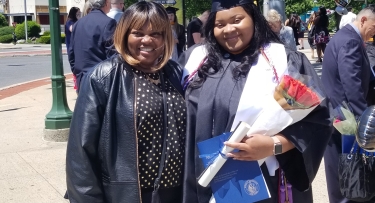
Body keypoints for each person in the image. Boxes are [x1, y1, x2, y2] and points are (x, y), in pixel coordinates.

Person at [179, 0, 332, 203]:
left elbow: (317, 120)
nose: (229, 29)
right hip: (197, 178)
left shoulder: (282, 60)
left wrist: (274, 145)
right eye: (220, 24)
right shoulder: (195, 60)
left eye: (237, 20)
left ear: (254, 19)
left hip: (261, 181)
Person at [66, 2, 185, 203]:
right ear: (124, 34)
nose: (147, 40)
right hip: (128, 195)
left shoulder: (175, 73)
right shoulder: (103, 77)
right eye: (138, 33)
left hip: (177, 193)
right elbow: (81, 153)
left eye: (156, 34)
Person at [321, 6, 375, 203]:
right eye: (374, 26)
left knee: (340, 167)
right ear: (363, 21)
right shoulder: (350, 41)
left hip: (337, 113)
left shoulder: (344, 38)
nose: (374, 32)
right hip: (345, 116)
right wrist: (363, 119)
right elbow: (351, 83)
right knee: (347, 169)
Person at [68, 0, 116, 92]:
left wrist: (77, 71)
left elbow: (71, 52)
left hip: (81, 77)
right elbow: (113, 54)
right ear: (106, 3)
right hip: (101, 79)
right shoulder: (109, 23)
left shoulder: (78, 23)